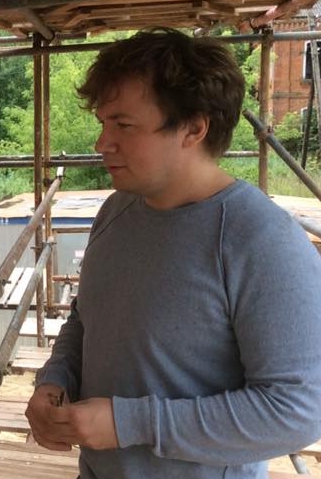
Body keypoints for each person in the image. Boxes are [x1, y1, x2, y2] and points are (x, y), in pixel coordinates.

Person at [25, 27, 321, 478]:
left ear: (194, 128)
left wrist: (131, 424)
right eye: (103, 124)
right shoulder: (116, 211)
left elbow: (297, 411)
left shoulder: (261, 241)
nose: (102, 143)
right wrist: (55, 379)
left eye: (123, 125)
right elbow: (87, 319)